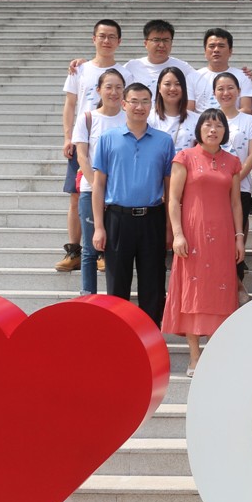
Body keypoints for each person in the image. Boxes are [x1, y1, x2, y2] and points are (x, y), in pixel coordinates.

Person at [162, 109, 245, 375]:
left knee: (221, 291)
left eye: (218, 125)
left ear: (225, 131)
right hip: (193, 235)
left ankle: (215, 355)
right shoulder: (184, 157)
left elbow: (236, 203)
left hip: (222, 237)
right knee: (193, 292)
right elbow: (173, 199)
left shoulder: (232, 162)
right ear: (198, 129)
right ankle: (195, 357)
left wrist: (239, 237)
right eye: (208, 125)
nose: (213, 130)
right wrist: (177, 234)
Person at [90, 82, 175, 327]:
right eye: (134, 101)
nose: (139, 107)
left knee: (153, 285)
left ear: (152, 105)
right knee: (117, 285)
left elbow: (169, 189)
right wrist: (99, 227)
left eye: (145, 101)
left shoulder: (164, 141)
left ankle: (151, 336)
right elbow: (99, 185)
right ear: (124, 104)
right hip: (118, 219)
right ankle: (118, 337)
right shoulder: (108, 139)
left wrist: (170, 228)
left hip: (153, 219)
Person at [58, 19, 128, 272]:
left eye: (112, 37)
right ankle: (74, 250)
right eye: (102, 36)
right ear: (94, 39)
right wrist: (68, 137)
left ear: (119, 41)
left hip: (115, 143)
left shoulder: (126, 72)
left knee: (110, 198)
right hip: (84, 141)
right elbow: (70, 104)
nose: (106, 41)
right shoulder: (80, 69)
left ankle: (102, 252)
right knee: (78, 196)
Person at [72, 68, 127, 295]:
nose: (114, 92)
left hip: (121, 195)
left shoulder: (129, 118)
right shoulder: (87, 119)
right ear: (98, 90)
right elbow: (82, 156)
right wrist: (97, 187)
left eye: (118, 87)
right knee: (89, 249)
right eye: (108, 87)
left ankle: (114, 297)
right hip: (90, 190)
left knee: (115, 248)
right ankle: (88, 296)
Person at [212, 72, 252, 281]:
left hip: (240, 188)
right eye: (221, 88)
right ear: (214, 92)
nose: (226, 93)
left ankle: (236, 284)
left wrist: (234, 180)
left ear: (239, 91)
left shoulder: (249, 121)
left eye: (230, 88)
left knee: (236, 236)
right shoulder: (209, 118)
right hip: (212, 190)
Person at [124, 19, 200, 108]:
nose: (161, 45)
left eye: (166, 40)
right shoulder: (132, 67)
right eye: (156, 40)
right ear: (145, 43)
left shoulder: (183, 68)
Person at [194, 28, 252, 113]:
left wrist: (223, 119)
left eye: (221, 46)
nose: (216, 50)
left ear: (230, 51)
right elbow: (189, 111)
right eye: (212, 46)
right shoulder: (193, 77)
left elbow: (246, 109)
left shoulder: (243, 77)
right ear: (205, 51)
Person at [148, 66, 198, 151]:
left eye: (178, 84)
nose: (172, 88)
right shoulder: (148, 119)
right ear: (159, 87)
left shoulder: (197, 120)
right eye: (167, 84)